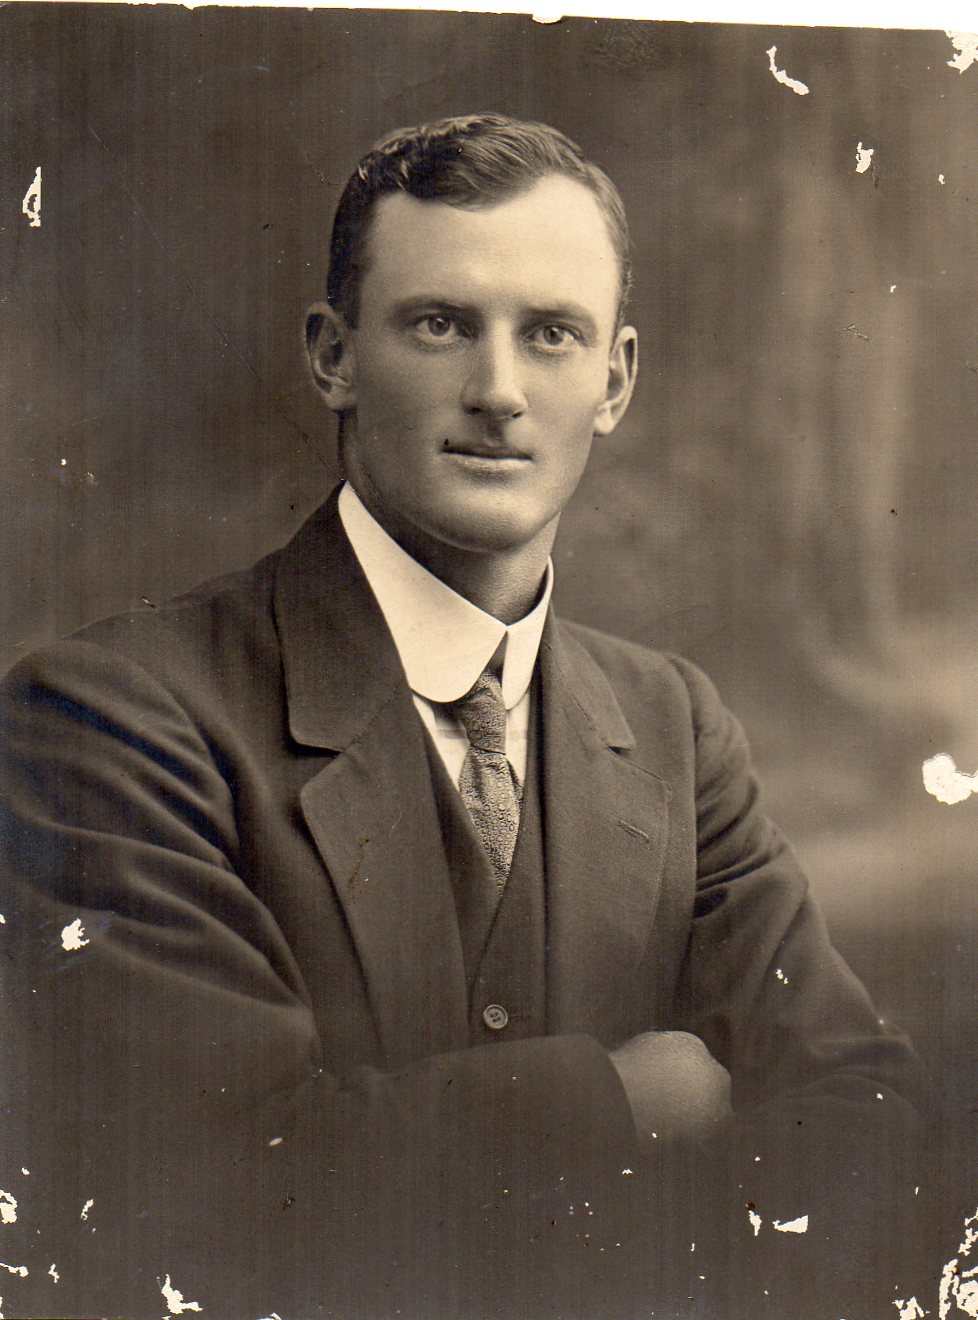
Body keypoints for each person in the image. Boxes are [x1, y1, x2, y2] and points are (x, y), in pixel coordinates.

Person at [0, 114, 930, 1319]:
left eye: (552, 334)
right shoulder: (106, 717)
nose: (498, 392)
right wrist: (625, 1105)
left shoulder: (672, 723)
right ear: (334, 357)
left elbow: (872, 1124)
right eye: (440, 325)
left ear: (615, 381)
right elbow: (200, 1191)